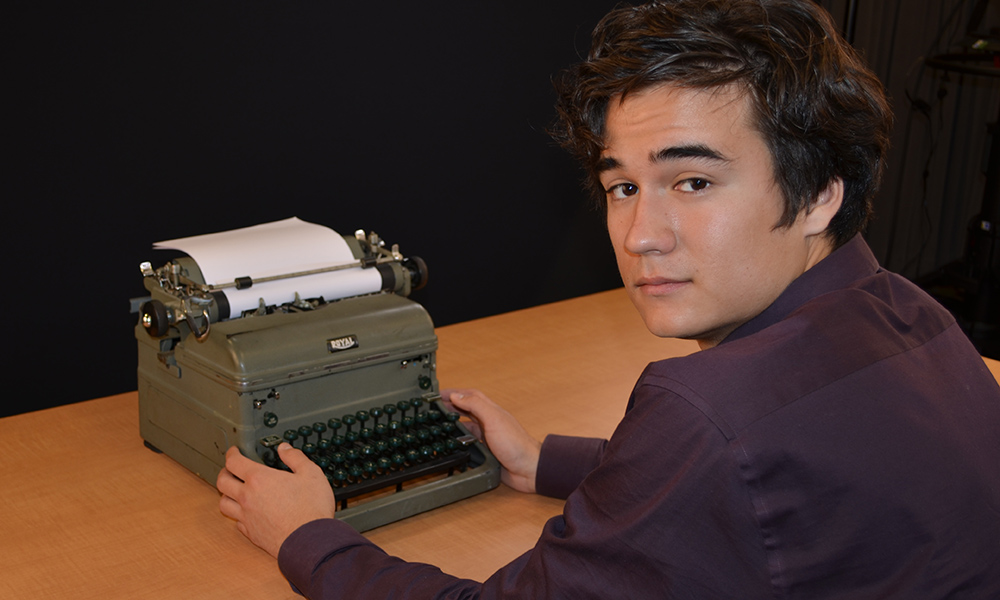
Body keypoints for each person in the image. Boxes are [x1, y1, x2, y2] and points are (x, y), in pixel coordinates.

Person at [216, 0, 1000, 597]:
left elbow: (720, 455)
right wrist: (545, 461)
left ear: (820, 195)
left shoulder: (704, 410)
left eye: (692, 181)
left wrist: (309, 537)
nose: (639, 235)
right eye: (622, 185)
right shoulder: (909, 310)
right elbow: (767, 477)